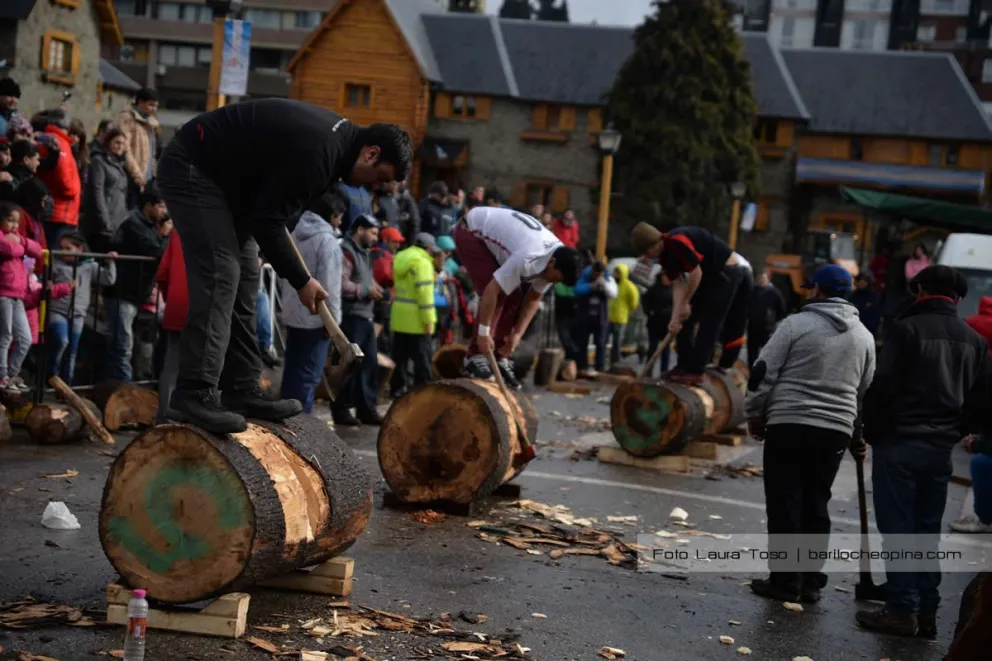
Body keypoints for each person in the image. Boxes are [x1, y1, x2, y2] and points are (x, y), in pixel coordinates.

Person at [156, 98, 412, 433]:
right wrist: (301, 278)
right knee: (223, 272)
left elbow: (280, 216)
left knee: (248, 277)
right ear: (371, 153)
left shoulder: (333, 156)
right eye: (378, 178)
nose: (371, 188)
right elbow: (268, 222)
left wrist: (299, 274)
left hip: (236, 192)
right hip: (194, 167)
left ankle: (243, 388)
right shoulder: (321, 152)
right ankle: (193, 391)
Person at [857, 265, 990, 639]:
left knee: (899, 528)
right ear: (958, 299)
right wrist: (956, 430)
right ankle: (927, 612)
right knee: (926, 530)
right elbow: (983, 400)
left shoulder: (907, 329)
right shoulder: (972, 339)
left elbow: (882, 389)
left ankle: (901, 609)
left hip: (900, 443)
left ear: (919, 290)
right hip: (939, 448)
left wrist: (875, 433)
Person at [745, 264, 876, 605]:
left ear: (816, 290)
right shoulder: (865, 336)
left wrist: (755, 416)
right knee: (816, 502)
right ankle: (811, 582)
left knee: (786, 500)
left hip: (789, 423)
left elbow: (761, 374)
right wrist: (856, 436)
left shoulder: (795, 325)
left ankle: (786, 582)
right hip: (835, 431)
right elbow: (862, 393)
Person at [454, 205, 581, 388]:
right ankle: (474, 358)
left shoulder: (555, 261)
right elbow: (491, 291)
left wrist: (517, 335)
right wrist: (483, 333)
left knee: (515, 297)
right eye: (555, 278)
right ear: (552, 263)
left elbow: (533, 299)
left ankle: (500, 355)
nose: (552, 282)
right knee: (498, 293)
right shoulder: (530, 257)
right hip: (472, 232)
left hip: (502, 238)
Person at [631, 221, 749, 385]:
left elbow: (695, 273)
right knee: (686, 319)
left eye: (646, 253)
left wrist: (686, 302)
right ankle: (684, 364)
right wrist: (676, 314)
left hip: (725, 271)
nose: (647, 258)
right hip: (708, 275)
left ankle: (696, 370)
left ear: (652, 246)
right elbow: (679, 282)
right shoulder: (665, 257)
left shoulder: (677, 242)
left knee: (709, 320)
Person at [280, 191, 345, 414]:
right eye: (340, 216)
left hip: (293, 313)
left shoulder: (294, 233)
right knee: (308, 379)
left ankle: (284, 427)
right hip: (317, 318)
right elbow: (331, 288)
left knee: (291, 376)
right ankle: (301, 432)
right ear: (333, 215)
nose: (341, 221)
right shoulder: (328, 242)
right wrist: (334, 324)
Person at [105, 187, 170, 382]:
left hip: (136, 293)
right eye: (160, 206)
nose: (164, 211)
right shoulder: (132, 225)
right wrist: (166, 236)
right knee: (122, 345)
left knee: (129, 344)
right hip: (122, 292)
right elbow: (158, 251)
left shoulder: (150, 226)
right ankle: (123, 388)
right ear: (148, 205)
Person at [334, 213, 385, 426]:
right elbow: (342, 284)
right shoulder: (346, 251)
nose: (375, 238)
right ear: (360, 230)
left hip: (365, 317)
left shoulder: (364, 253)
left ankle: (366, 408)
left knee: (369, 364)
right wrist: (365, 290)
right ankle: (341, 409)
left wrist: (377, 289)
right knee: (350, 365)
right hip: (352, 316)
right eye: (372, 233)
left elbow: (366, 280)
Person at [47, 232, 117, 384]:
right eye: (62, 248)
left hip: (78, 313)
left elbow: (108, 279)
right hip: (58, 310)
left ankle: (67, 385)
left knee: (72, 351)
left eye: (68, 248)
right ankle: (51, 377)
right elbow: (44, 282)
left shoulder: (89, 266)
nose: (63, 251)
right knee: (62, 340)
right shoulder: (56, 264)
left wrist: (110, 262)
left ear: (79, 249)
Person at [390, 233, 438, 396]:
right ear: (428, 249)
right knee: (422, 360)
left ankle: (398, 389)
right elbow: (425, 294)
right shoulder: (422, 263)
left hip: (399, 318)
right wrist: (429, 320)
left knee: (399, 358)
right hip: (418, 321)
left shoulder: (399, 258)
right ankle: (422, 394)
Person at [0, 202, 40, 393]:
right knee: (5, 336)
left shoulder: (15, 239)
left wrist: (21, 242)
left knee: (25, 338)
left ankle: (13, 374)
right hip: (3, 295)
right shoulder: (3, 238)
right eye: (10, 220)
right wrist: (19, 246)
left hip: (18, 295)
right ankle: (2, 376)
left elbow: (38, 250)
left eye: (17, 222)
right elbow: (8, 250)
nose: (15, 226)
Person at [155, 229, 188, 424]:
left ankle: (165, 416)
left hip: (177, 304)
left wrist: (171, 296)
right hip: (207, 307)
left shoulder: (178, 232)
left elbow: (163, 272)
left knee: (172, 365)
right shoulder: (217, 226)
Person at [35, 109, 81, 249]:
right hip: (61, 211)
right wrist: (73, 192)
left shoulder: (46, 139)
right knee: (56, 257)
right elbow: (64, 178)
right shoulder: (60, 142)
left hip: (52, 209)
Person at [84, 128, 130, 253]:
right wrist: (105, 220)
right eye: (117, 142)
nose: (120, 146)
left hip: (118, 222)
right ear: (108, 143)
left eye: (123, 143)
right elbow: (97, 191)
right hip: (102, 225)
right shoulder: (99, 162)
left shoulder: (121, 166)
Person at [573, 261, 618, 377]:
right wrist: (591, 286)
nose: (598, 277)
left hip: (600, 317)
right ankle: (582, 367)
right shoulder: (585, 276)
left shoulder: (607, 278)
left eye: (600, 275)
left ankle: (600, 368)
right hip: (584, 317)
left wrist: (604, 285)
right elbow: (577, 290)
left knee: (601, 343)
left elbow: (613, 294)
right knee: (582, 343)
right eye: (596, 275)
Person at [117, 87, 160, 197]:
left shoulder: (151, 123)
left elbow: (152, 153)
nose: (154, 109)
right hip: (131, 176)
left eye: (156, 106)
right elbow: (125, 149)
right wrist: (136, 173)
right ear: (140, 102)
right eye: (151, 105)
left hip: (147, 176)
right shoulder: (127, 118)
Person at [747, 270, 787, 370]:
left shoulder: (774, 292)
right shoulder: (753, 291)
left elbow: (781, 309)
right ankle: (752, 370)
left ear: (767, 279)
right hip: (752, 326)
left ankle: (767, 370)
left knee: (767, 350)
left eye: (763, 278)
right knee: (752, 351)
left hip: (766, 327)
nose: (761, 281)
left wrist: (772, 320)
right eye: (759, 279)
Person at [642, 272, 674, 376]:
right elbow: (645, 300)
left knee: (666, 350)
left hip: (667, 325)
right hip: (654, 324)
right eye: (664, 277)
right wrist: (649, 311)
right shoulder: (654, 289)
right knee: (652, 348)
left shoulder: (674, 290)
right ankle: (648, 370)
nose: (666, 280)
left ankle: (664, 372)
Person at [608, 263, 639, 366]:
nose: (616, 275)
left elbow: (634, 301)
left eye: (618, 273)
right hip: (610, 316)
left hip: (620, 318)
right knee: (606, 340)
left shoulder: (629, 286)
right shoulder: (613, 284)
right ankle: (610, 360)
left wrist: (628, 309)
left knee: (617, 342)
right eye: (615, 272)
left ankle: (615, 361)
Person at [850, 273, 882, 338]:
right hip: (855, 327)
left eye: (864, 280)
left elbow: (876, 313)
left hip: (870, 328)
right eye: (860, 280)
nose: (862, 282)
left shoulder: (874, 295)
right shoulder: (853, 295)